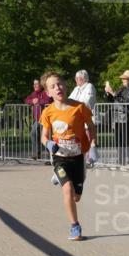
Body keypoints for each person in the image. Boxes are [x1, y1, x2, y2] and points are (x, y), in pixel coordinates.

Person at [39, 71, 97, 241]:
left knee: (76, 196)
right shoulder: (48, 112)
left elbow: (91, 127)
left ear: (66, 85)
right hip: (59, 157)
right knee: (68, 190)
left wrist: (93, 146)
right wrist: (48, 143)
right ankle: (75, 226)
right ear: (48, 93)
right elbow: (44, 136)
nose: (58, 87)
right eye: (52, 86)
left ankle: (68, 178)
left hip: (78, 157)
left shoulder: (80, 107)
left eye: (60, 83)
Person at [103, 70, 129, 167]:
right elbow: (112, 100)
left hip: (126, 117)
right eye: (123, 78)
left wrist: (113, 93)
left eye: (125, 79)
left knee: (127, 140)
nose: (123, 80)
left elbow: (126, 101)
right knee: (118, 140)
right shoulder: (121, 88)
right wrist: (108, 93)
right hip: (117, 117)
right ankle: (120, 161)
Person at [69, 70, 98, 167]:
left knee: (89, 138)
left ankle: (90, 159)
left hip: (88, 117)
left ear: (84, 78)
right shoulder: (77, 88)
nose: (77, 80)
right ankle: (82, 159)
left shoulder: (89, 86)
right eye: (76, 78)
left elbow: (87, 101)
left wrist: (75, 105)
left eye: (79, 78)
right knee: (80, 140)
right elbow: (70, 99)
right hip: (78, 118)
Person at [23, 78, 52, 160]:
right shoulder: (34, 94)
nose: (35, 85)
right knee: (33, 133)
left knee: (46, 136)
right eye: (34, 84)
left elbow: (48, 100)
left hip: (46, 119)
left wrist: (38, 101)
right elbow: (26, 100)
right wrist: (32, 101)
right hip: (38, 119)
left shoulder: (45, 92)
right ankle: (36, 154)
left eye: (37, 84)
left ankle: (51, 155)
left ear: (41, 85)